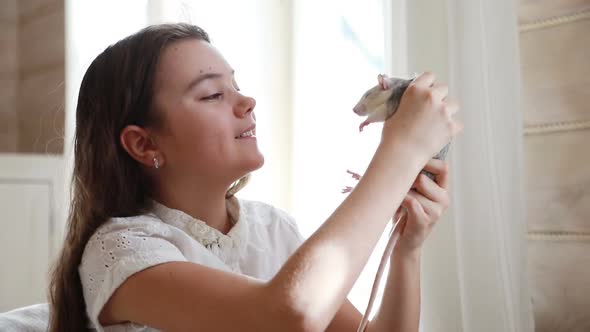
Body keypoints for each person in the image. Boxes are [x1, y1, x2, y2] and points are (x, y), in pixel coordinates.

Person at [48, 23, 462, 332]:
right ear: (143, 144)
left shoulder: (272, 228)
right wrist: (399, 153)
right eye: (213, 94)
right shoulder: (120, 251)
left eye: (237, 85)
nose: (247, 101)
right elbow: (288, 314)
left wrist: (408, 249)